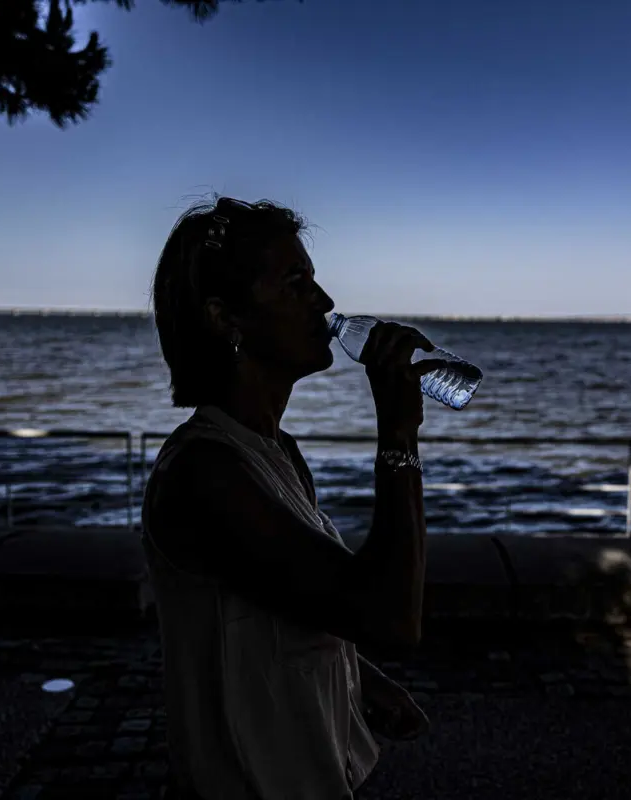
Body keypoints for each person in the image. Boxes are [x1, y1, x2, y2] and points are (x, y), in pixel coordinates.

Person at [142, 196, 445, 800]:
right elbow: (391, 616)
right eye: (296, 284)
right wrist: (398, 435)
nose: (325, 302)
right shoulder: (205, 473)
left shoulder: (276, 451)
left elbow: (282, 600)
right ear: (226, 317)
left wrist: (359, 678)